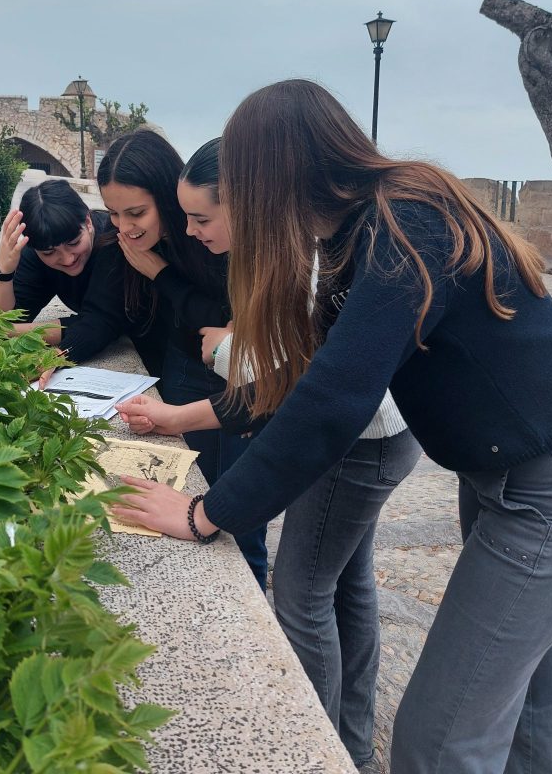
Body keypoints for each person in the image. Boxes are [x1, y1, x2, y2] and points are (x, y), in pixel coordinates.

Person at [113, 79, 552, 774]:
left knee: (438, 742)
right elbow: (303, 381)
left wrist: (206, 514)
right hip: (503, 472)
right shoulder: (370, 227)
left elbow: (334, 399)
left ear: (271, 178)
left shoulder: (405, 224)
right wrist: (186, 431)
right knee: (530, 706)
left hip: (537, 491)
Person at [141, 136, 419, 768]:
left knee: (301, 592)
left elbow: (282, 394)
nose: (190, 232)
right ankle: (350, 745)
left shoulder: (297, 262)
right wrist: (177, 417)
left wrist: (204, 512)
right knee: (348, 583)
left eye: (201, 218)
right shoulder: (289, 250)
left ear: (247, 202)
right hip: (386, 433)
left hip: (358, 444)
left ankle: (314, 753)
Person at [95, 127, 268, 588]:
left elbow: (232, 320)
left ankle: (250, 593)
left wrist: (162, 274)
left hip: (240, 375)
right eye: (113, 213)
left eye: (136, 213)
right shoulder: (126, 241)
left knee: (239, 512)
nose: (124, 226)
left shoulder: (215, 233)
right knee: (185, 486)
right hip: (184, 367)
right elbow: (102, 314)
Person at [0, 178, 162, 370]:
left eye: (74, 243)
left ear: (88, 221)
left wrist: (17, 335)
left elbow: (101, 323)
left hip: (155, 335)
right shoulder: (37, 252)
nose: (67, 259)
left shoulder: (113, 241)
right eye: (49, 253)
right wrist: (3, 270)